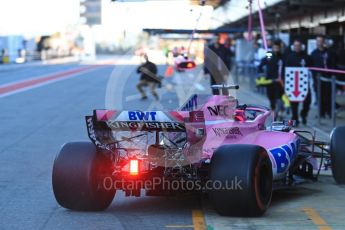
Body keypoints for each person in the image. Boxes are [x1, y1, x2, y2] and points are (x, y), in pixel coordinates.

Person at [285, 39, 312, 125]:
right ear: (293, 47)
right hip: (293, 84)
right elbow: (286, 71)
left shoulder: (307, 57)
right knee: (294, 103)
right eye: (296, 45)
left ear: (302, 46)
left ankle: (303, 114)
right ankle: (295, 118)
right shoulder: (289, 57)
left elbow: (311, 68)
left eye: (299, 45)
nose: (297, 47)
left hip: (304, 83)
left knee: (307, 101)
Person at [310, 35, 337, 118]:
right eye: (318, 41)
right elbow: (311, 66)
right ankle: (321, 113)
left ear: (324, 42)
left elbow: (333, 64)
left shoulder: (329, 53)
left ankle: (329, 112)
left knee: (328, 95)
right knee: (319, 96)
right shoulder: (313, 53)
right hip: (317, 79)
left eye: (321, 41)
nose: (319, 43)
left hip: (328, 78)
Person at [258, 40, 285, 116]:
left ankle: (280, 110)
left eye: (277, 48)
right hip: (269, 81)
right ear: (272, 48)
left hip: (279, 81)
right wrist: (261, 74)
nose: (276, 49)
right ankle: (273, 109)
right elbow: (261, 64)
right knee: (271, 96)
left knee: (279, 96)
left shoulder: (282, 57)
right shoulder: (269, 55)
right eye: (274, 48)